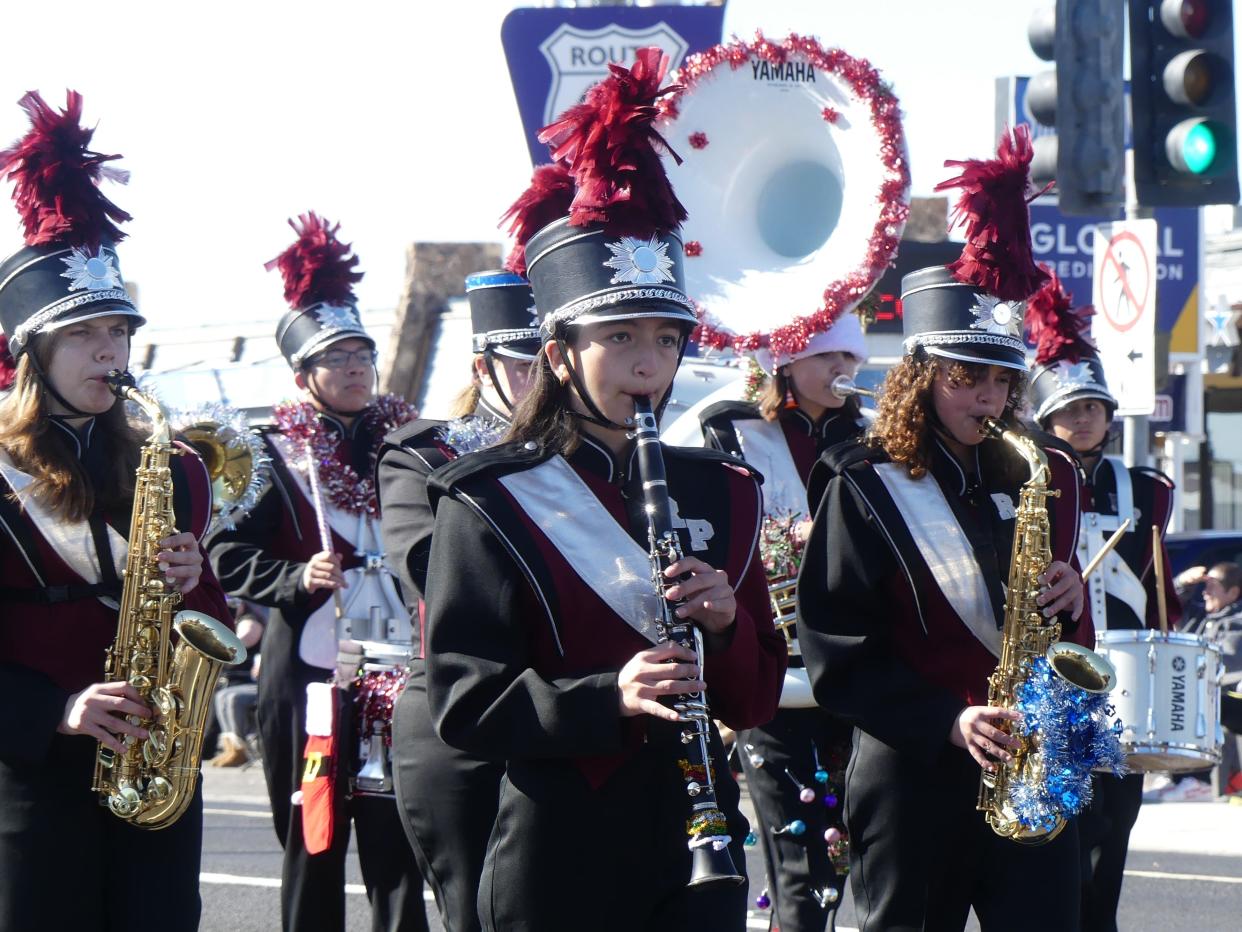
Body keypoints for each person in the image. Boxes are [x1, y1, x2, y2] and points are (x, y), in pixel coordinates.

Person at [422, 49, 786, 932]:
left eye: (665, 339)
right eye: (620, 337)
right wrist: (604, 695)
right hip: (560, 841)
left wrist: (729, 625)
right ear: (558, 355)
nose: (647, 364)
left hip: (699, 832)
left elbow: (757, 695)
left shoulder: (724, 489)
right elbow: (464, 702)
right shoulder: (489, 499)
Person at [796, 127, 1097, 932]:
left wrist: (1073, 595)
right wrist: (946, 720)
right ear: (924, 375)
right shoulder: (863, 482)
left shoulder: (1039, 472)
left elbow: (1068, 639)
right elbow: (837, 651)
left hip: (1032, 764)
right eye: (968, 380)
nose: (989, 402)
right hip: (914, 770)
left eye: (1003, 382)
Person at [0, 90, 231, 932]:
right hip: (34, 774)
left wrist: (196, 583)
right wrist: (55, 709)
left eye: (119, 332)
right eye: (84, 335)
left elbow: (211, 626)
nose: (110, 352)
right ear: (31, 356)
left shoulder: (177, 468)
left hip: (157, 770)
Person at [206, 214, 425, 932]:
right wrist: (296, 579)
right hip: (309, 678)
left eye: (364, 353)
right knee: (314, 838)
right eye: (338, 358)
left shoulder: (411, 447)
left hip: (397, 670)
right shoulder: (271, 455)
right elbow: (228, 553)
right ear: (304, 377)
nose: (357, 367)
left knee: (399, 845)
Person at [379, 262, 545, 932]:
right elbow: (430, 569)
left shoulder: (596, 450)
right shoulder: (420, 455)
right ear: (485, 368)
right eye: (525, 363)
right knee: (476, 912)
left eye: (554, 358)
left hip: (570, 708)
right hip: (462, 711)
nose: (546, 377)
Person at [698, 313, 871, 931]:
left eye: (849, 358)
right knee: (798, 865)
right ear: (787, 362)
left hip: (855, 670)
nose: (843, 371)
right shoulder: (730, 432)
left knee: (839, 856)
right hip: (775, 668)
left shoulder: (876, 437)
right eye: (827, 357)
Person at [1025, 271, 1183, 931]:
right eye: (1069, 410)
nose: (1083, 419)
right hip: (1055, 684)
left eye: (1092, 407)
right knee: (1061, 834)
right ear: (1045, 419)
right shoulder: (1027, 482)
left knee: (1113, 832)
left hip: (1126, 685)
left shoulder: (1146, 489)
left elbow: (1157, 591)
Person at [1177, 562, 1242, 797]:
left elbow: (1224, 664)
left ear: (1232, 593)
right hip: (1205, 697)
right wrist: (1184, 582)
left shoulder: (1237, 623)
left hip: (1230, 700)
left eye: (1212, 587)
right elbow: (1168, 605)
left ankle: (1196, 779)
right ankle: (1180, 777)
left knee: (1197, 705)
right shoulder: (1201, 617)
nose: (1205, 592)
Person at [211, 598, 266, 767]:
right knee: (222, 697)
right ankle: (232, 748)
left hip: (252, 681)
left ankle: (241, 748)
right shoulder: (232, 619)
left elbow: (243, 640)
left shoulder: (251, 620)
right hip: (242, 681)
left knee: (233, 698)